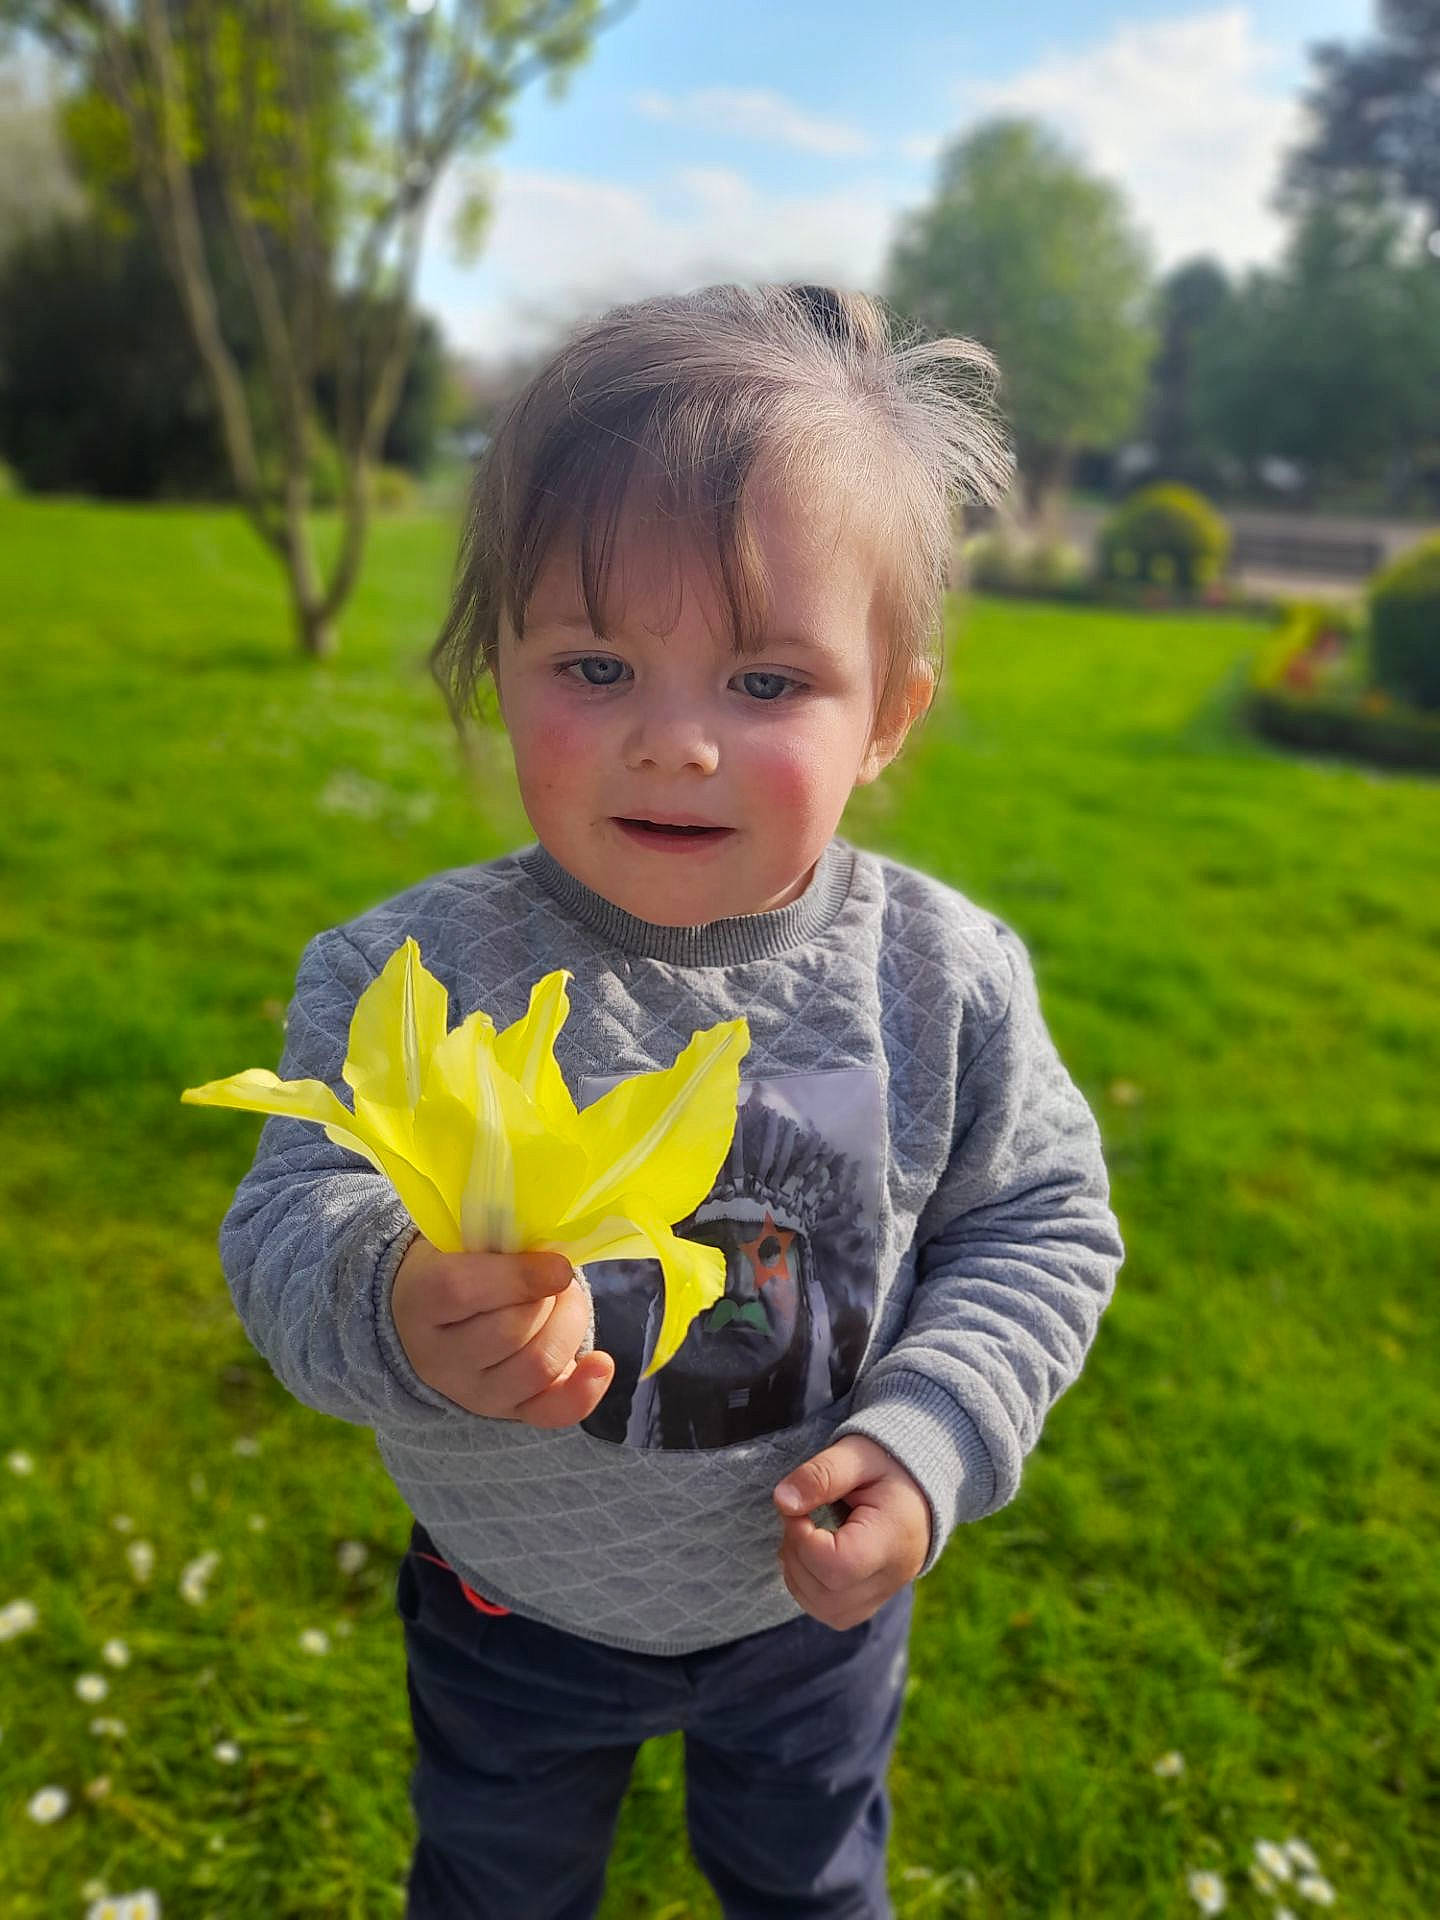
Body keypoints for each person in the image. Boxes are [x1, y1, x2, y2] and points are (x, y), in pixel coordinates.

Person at [218, 283, 1126, 1919]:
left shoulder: (942, 976)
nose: (678, 745)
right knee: (496, 1886)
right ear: (500, 669)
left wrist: (928, 1443)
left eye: (768, 685)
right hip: (511, 1615)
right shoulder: (408, 972)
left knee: (811, 1887)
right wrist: (395, 1300)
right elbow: (292, 1219)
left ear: (889, 718)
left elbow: (1040, 1223)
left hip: (810, 1616)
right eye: (599, 662)